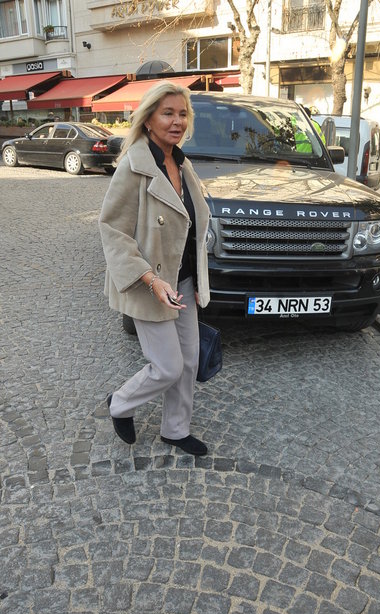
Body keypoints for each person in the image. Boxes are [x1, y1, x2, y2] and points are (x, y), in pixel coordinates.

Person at [98, 81, 211, 456]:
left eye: (182, 114)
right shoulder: (134, 166)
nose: (177, 121)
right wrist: (149, 278)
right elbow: (112, 230)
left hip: (183, 281)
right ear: (148, 120)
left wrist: (199, 277)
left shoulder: (182, 164)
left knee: (189, 361)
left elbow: (191, 225)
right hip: (149, 283)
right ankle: (120, 402)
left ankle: (176, 429)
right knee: (167, 366)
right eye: (167, 113)